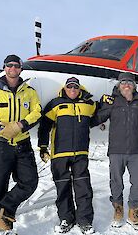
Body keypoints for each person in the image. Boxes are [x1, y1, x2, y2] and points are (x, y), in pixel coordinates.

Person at [0, 55, 42, 234]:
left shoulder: (29, 91)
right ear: (4, 68)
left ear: (20, 69)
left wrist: (20, 125)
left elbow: (37, 112)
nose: (13, 68)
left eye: (16, 65)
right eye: (9, 65)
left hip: (22, 144)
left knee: (30, 181)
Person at [92, 72, 138, 231]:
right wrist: (98, 104)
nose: (126, 85)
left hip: (135, 151)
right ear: (119, 85)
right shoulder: (112, 101)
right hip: (116, 150)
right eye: (123, 83)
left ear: (134, 86)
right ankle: (118, 210)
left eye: (130, 83)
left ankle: (133, 212)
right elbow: (96, 119)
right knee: (116, 183)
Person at [38, 77, 96, 234]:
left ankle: (85, 220)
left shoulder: (88, 104)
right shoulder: (55, 104)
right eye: (70, 87)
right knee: (63, 188)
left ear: (79, 89)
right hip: (59, 154)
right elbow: (44, 126)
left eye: (75, 87)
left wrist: (105, 101)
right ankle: (66, 218)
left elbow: (99, 114)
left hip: (81, 154)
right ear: (65, 88)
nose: (72, 89)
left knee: (83, 188)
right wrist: (43, 147)